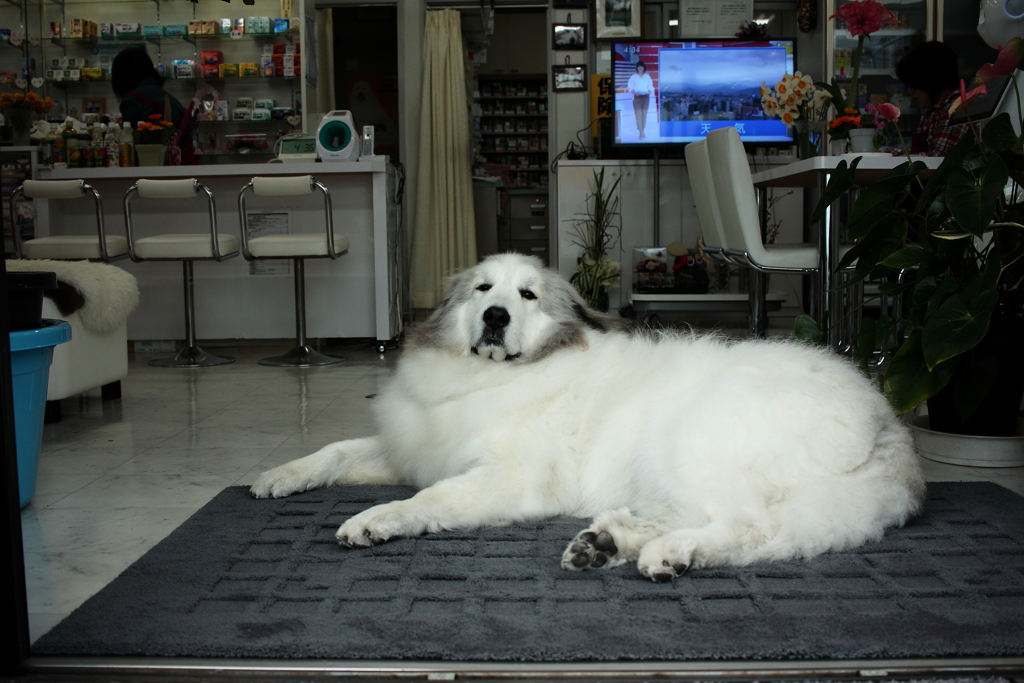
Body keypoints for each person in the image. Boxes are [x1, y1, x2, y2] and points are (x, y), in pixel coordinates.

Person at [111, 46, 196, 164]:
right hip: (180, 163)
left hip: (154, 166)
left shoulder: (133, 101)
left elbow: (131, 144)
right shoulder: (165, 97)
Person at [894, 41, 968, 156]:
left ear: (933, 80)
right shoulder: (932, 111)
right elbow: (919, 154)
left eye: (915, 84)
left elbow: (937, 158)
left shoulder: (956, 109)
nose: (910, 90)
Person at [626, 61, 654, 140]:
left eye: (642, 66)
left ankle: (643, 130)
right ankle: (641, 133)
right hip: (637, 98)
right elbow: (629, 87)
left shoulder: (647, 77)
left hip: (646, 97)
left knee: (644, 115)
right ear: (637, 68)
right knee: (638, 116)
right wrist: (634, 92)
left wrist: (649, 91)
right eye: (639, 67)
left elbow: (650, 86)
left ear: (644, 68)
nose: (640, 68)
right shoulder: (633, 77)